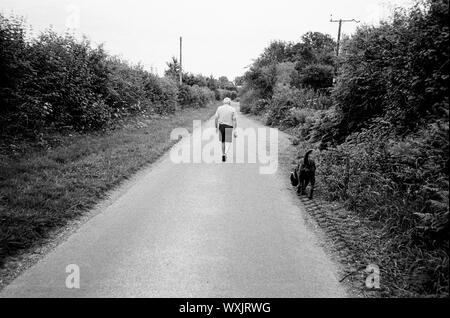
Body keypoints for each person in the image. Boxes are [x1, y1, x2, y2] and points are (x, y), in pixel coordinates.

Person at [215, 97, 237, 162]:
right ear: (230, 103)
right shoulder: (233, 109)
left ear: (223, 102)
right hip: (229, 126)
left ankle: (223, 154)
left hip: (221, 126)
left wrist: (216, 126)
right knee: (228, 141)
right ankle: (225, 153)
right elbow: (234, 120)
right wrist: (235, 130)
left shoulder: (219, 108)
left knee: (223, 141)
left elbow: (216, 118)